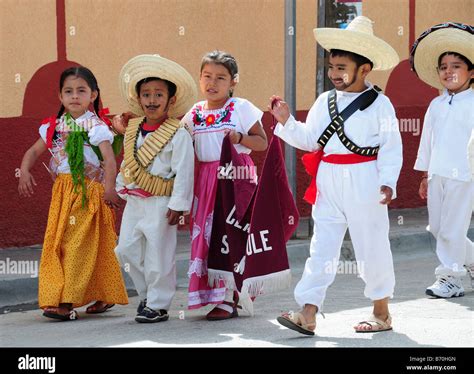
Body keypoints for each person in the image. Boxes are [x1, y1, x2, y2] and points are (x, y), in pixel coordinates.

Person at [269, 16, 402, 335]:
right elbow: (311, 140)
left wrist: (387, 181)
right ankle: (308, 312)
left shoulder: (380, 105)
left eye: (342, 67)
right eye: (332, 67)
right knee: (322, 246)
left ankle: (381, 312)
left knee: (371, 245)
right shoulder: (323, 101)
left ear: (364, 69)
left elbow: (391, 146)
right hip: (329, 180)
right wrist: (287, 121)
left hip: (365, 179)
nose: (334, 74)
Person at [18, 66, 128, 321]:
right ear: (60, 96)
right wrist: (24, 170)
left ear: (93, 95)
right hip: (62, 194)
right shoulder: (53, 127)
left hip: (89, 191)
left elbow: (110, 160)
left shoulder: (96, 126)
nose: (74, 96)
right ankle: (104, 294)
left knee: (78, 245)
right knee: (67, 245)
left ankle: (66, 301)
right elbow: (34, 152)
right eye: (68, 91)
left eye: (81, 91)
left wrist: (110, 188)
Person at [181, 50, 268, 320]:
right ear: (199, 78)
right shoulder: (194, 113)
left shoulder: (241, 108)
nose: (213, 83)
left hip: (235, 180)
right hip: (206, 182)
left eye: (221, 77)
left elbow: (262, 142)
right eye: (207, 76)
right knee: (209, 238)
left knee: (232, 237)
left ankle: (231, 299)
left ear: (233, 82)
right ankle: (217, 296)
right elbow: (178, 143)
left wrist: (240, 136)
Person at [114, 54, 196, 323]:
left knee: (159, 254)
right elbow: (129, 160)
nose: (151, 100)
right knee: (125, 249)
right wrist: (121, 185)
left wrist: (179, 204)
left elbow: (184, 170)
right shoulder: (134, 128)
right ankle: (147, 294)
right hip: (135, 201)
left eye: (158, 94)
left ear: (170, 100)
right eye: (146, 94)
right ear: (138, 99)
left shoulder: (178, 133)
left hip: (162, 202)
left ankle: (158, 304)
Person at [411, 22, 474, 298]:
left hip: (465, 174)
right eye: (443, 66)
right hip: (438, 174)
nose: (448, 71)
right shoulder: (436, 105)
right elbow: (428, 140)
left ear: (471, 72)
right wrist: (425, 174)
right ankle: (471, 261)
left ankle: (451, 277)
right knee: (437, 227)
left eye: (456, 65)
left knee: (452, 227)